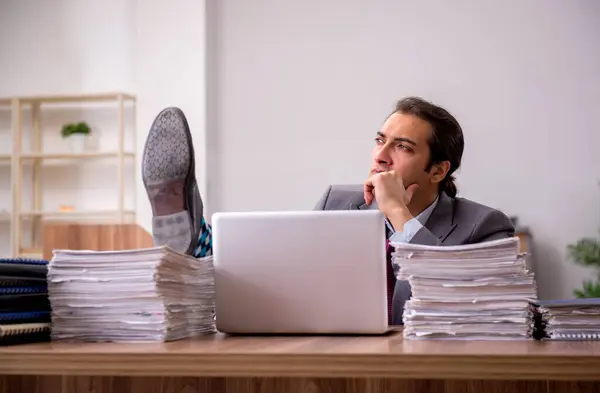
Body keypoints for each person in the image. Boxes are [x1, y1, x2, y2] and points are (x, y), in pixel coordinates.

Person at [141, 97, 515, 325]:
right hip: (340, 354)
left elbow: (455, 302)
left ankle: (197, 248)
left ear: (438, 169)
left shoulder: (483, 226)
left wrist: (396, 210)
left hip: (426, 365)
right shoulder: (339, 202)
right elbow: (301, 282)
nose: (380, 155)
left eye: (402, 147)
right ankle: (194, 243)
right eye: (380, 140)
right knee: (265, 273)